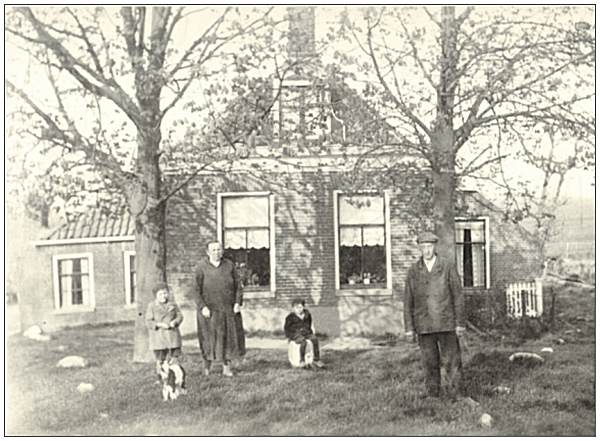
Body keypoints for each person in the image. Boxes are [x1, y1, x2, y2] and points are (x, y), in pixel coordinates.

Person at [403, 231, 465, 399]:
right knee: (429, 362)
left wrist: (460, 323)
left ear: (434, 247)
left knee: (452, 361)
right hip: (424, 325)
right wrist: (409, 328)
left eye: (429, 246)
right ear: (420, 248)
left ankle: (457, 395)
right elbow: (408, 300)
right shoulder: (413, 271)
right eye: (423, 247)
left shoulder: (446, 266)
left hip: (446, 322)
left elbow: (458, 295)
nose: (427, 250)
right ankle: (433, 395)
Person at [193, 241, 245, 377]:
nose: (216, 252)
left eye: (218, 249)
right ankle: (206, 368)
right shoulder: (201, 267)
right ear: (207, 252)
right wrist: (202, 306)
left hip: (227, 309)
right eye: (213, 250)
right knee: (208, 339)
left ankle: (226, 368)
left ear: (222, 251)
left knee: (227, 339)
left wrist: (237, 302)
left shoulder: (229, 265)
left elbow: (238, 286)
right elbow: (195, 290)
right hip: (209, 311)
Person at [145, 282, 184, 378]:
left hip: (172, 336)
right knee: (161, 359)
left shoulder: (173, 304)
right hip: (159, 338)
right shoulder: (152, 306)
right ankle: (161, 377)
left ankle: (175, 376)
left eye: (165, 293)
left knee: (174, 358)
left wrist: (175, 322)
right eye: (160, 294)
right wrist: (159, 324)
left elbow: (179, 315)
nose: (163, 296)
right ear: (156, 296)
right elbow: (148, 321)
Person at [284, 299, 324, 368]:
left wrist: (309, 332)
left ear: (303, 307)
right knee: (303, 342)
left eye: (300, 307)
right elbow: (287, 329)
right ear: (293, 308)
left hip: (306, 332)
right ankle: (302, 361)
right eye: (297, 308)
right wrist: (291, 337)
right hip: (296, 334)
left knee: (314, 339)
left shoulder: (307, 315)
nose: (299, 310)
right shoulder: (290, 317)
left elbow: (309, 324)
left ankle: (316, 359)